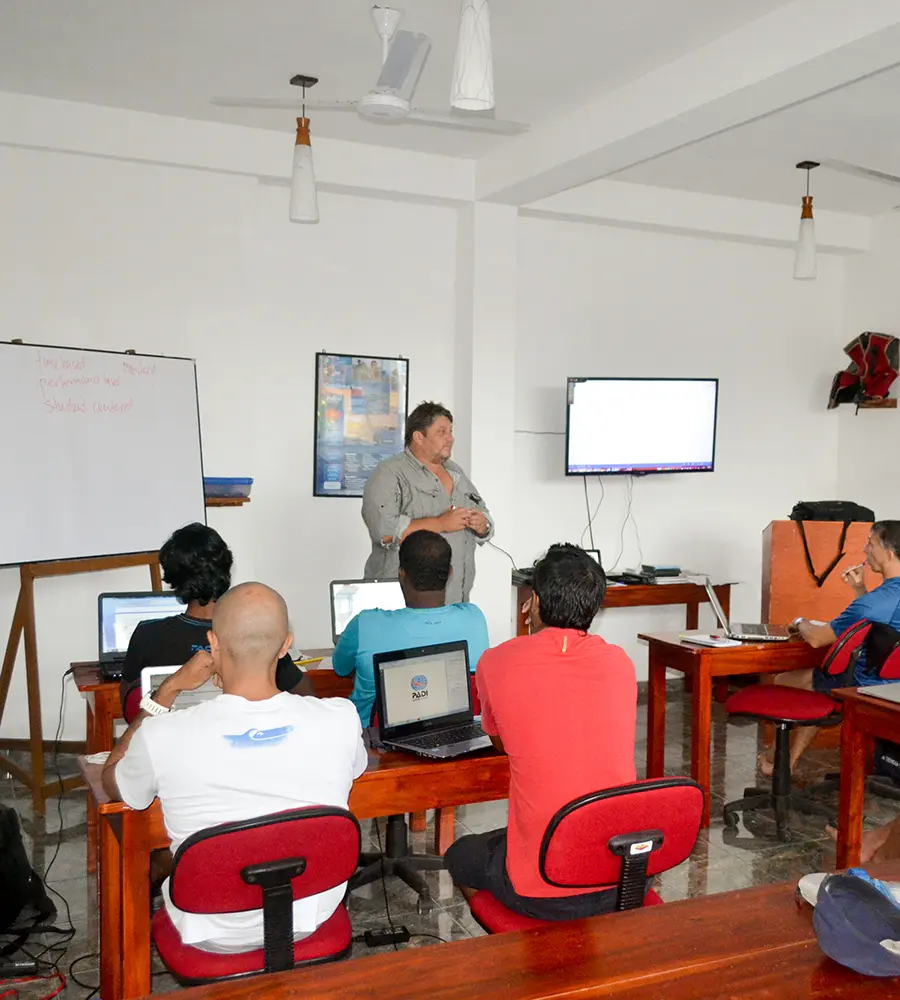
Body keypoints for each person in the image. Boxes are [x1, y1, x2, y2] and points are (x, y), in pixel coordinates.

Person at [102, 583, 368, 954]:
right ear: (286, 644)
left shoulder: (163, 733)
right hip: (312, 914)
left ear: (212, 643)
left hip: (211, 929)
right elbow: (353, 769)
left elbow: (112, 781)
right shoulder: (339, 718)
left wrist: (168, 690)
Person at [444, 544, 638, 920]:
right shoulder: (621, 663)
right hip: (623, 872)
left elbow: (502, 742)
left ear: (533, 601)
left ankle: (524, 947)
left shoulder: (495, 662)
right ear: (595, 608)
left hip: (543, 887)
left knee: (459, 855)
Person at [120, 523, 311, 716]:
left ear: (172, 577)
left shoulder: (148, 634)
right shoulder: (253, 633)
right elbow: (306, 696)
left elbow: (129, 709)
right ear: (225, 571)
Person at [762, 520, 900, 775]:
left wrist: (799, 621)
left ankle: (778, 757)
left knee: (785, 680)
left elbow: (815, 638)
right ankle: (788, 762)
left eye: (870, 543)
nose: (864, 549)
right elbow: (881, 620)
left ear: (889, 553)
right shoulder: (879, 599)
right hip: (894, 685)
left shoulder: (873, 603)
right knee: (815, 682)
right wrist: (860, 589)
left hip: (861, 684)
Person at [333, 530, 490, 726]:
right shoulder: (474, 618)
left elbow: (340, 668)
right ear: (450, 573)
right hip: (456, 743)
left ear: (401, 574)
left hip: (376, 750)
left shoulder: (365, 624)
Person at [362, 402, 492, 604]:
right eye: (442, 432)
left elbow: (483, 513)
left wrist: (483, 525)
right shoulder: (388, 473)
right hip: (401, 605)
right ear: (419, 437)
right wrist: (440, 523)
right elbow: (384, 532)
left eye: (450, 431)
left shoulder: (455, 472)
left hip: (455, 603)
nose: (450, 438)